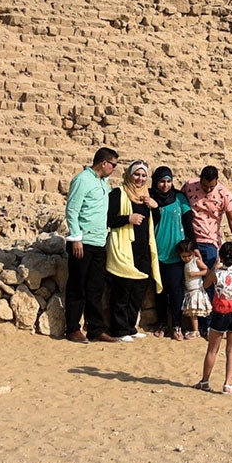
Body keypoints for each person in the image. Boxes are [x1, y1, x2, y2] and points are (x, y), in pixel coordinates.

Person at [103, 160, 164, 341]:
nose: (140, 178)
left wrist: (155, 207)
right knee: (122, 290)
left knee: (138, 290)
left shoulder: (147, 196)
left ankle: (130, 327)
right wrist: (128, 218)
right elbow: (109, 220)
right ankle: (119, 329)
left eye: (144, 175)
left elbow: (156, 220)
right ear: (129, 175)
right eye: (137, 174)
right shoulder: (118, 193)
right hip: (124, 247)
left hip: (143, 248)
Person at [64, 146, 119, 342]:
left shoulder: (103, 183)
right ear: (104, 163)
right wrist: (76, 238)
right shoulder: (82, 180)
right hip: (83, 242)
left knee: (96, 288)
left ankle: (96, 329)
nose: (114, 169)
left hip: (98, 242)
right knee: (77, 286)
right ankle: (72, 329)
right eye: (113, 165)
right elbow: (72, 210)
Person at [197, 242, 232, 395]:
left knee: (212, 350)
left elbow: (206, 284)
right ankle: (228, 384)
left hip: (220, 311)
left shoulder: (218, 273)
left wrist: (215, 267)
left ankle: (205, 381)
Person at [150, 166, 192, 339]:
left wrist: (193, 246)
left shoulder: (180, 198)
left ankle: (176, 325)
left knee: (176, 291)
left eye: (168, 181)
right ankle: (161, 324)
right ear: (155, 182)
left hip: (176, 253)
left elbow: (189, 222)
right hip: (157, 251)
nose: (165, 185)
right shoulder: (150, 198)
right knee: (159, 291)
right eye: (161, 181)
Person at [183, 165, 232, 266]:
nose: (208, 189)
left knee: (209, 276)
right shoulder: (189, 186)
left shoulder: (224, 194)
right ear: (200, 179)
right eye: (204, 186)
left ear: (217, 180)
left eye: (211, 186)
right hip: (189, 239)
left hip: (210, 242)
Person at [175, 239, 209, 339]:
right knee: (192, 312)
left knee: (194, 312)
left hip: (196, 290)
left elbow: (207, 270)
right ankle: (196, 329)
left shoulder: (195, 261)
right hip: (189, 291)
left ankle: (196, 330)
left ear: (193, 254)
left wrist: (196, 274)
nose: (186, 258)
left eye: (189, 256)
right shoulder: (185, 264)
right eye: (183, 256)